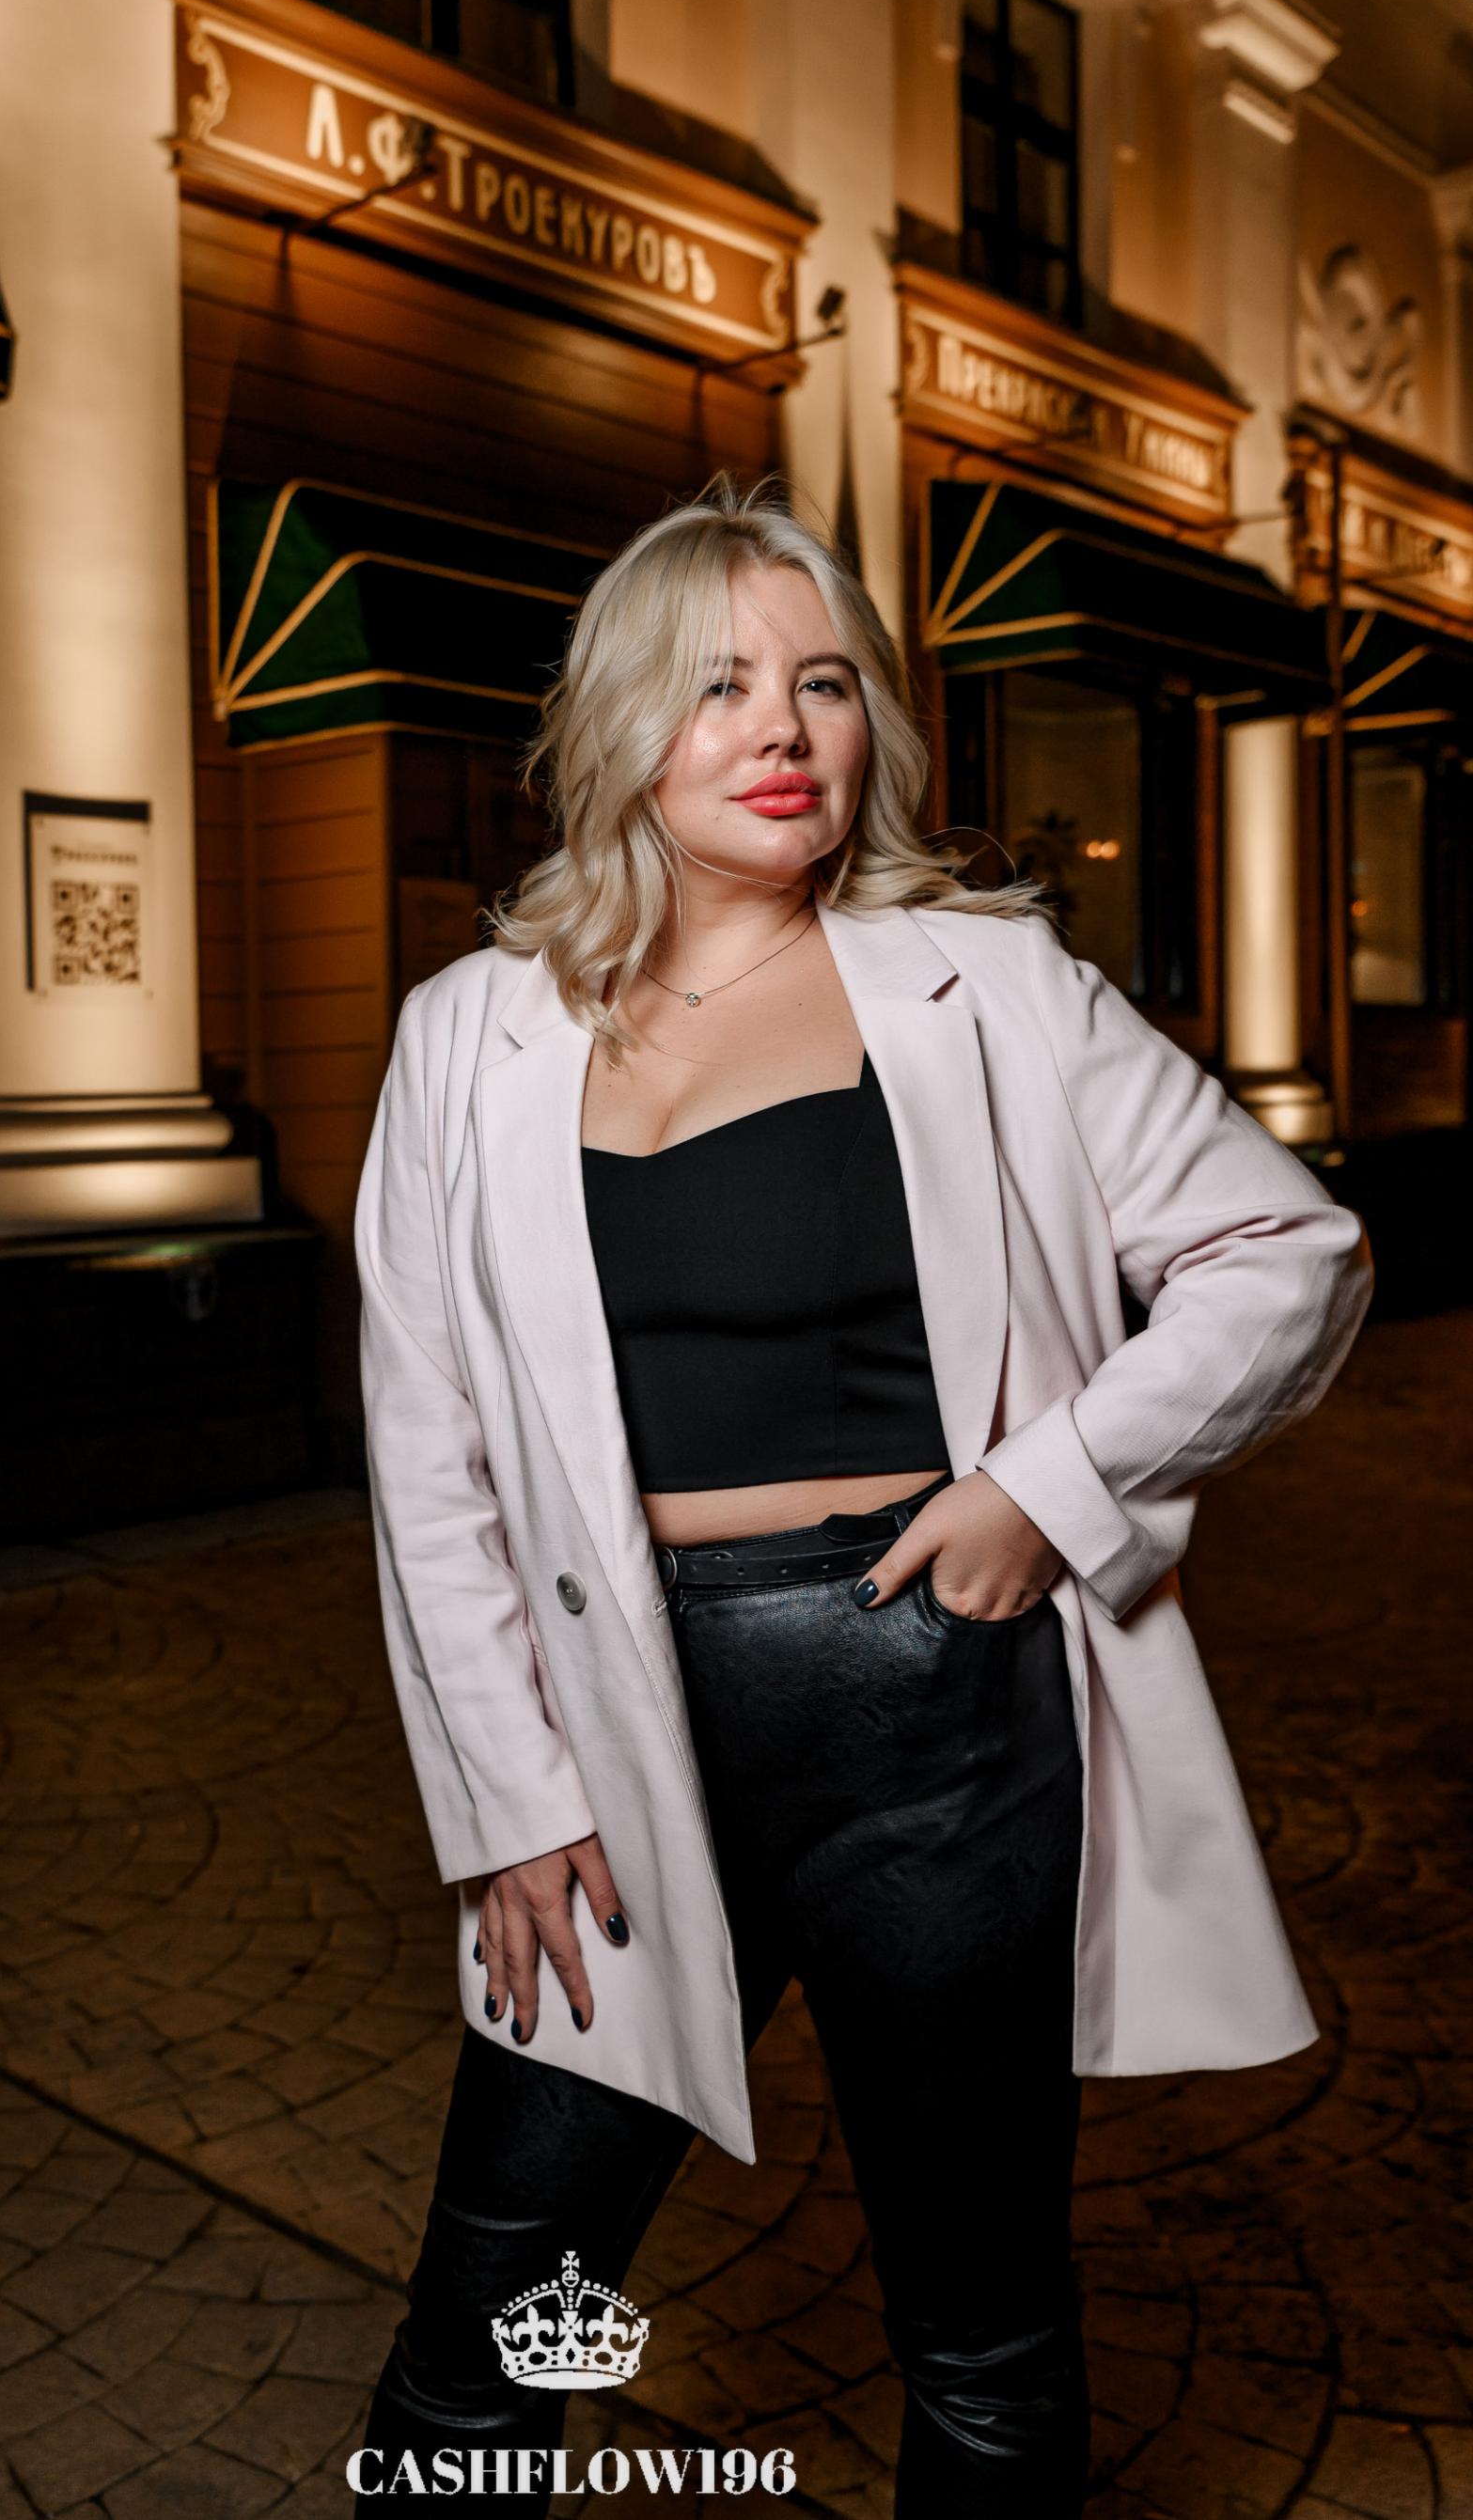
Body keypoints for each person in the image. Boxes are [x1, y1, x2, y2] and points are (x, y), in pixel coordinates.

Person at [349, 477, 1372, 2515]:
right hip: (616, 1726)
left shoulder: (988, 982)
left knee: (980, 2331)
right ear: (623, 721)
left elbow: (1290, 1250)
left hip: (935, 1699)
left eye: (823, 682)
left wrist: (1046, 1490)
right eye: (720, 682)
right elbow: (428, 1448)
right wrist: (506, 1796)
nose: (782, 727)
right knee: (486, 2332)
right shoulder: (466, 1034)